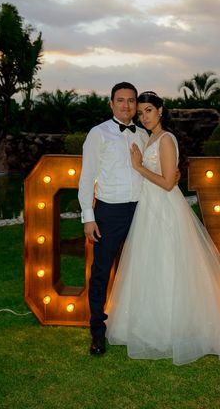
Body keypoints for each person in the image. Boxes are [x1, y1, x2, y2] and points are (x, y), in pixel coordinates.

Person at [106, 91, 220, 365]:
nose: (143, 116)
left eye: (148, 111)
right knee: (150, 266)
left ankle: (176, 328)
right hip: (148, 207)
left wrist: (139, 166)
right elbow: (170, 175)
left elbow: (168, 182)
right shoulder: (149, 137)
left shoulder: (166, 139)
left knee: (169, 264)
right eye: (141, 112)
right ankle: (149, 325)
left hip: (164, 208)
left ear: (161, 111)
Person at [78, 81, 149, 355]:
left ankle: (137, 325)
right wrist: (88, 216)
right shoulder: (98, 134)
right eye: (121, 100)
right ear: (111, 103)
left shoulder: (143, 135)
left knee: (139, 270)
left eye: (131, 100)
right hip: (109, 211)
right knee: (101, 273)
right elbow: (86, 178)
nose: (127, 105)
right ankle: (98, 332)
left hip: (142, 209)